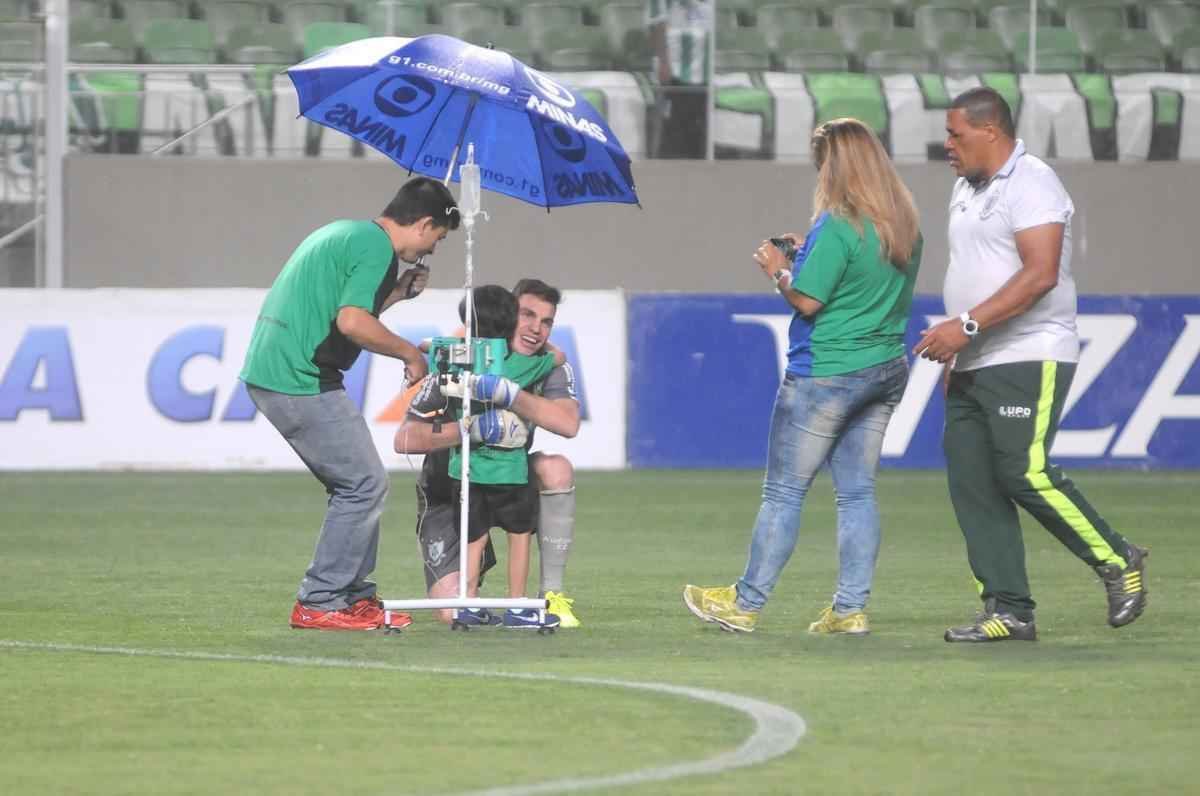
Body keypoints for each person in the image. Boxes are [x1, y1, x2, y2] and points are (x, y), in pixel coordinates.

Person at [914, 87, 1148, 643]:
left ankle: (1117, 558)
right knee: (973, 482)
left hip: (1030, 352)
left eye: (955, 134)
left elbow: (1040, 274)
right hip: (974, 359)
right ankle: (1009, 609)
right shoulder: (965, 189)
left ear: (990, 130)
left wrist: (965, 326)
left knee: (1024, 469)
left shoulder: (1033, 181)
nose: (946, 144)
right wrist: (960, 349)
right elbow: (977, 268)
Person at [683, 117, 922, 635]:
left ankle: (745, 604)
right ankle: (849, 608)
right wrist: (805, 252)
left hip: (829, 373)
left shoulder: (839, 224)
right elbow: (858, 281)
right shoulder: (903, 224)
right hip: (884, 368)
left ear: (835, 166)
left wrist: (777, 269)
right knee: (857, 493)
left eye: (821, 164)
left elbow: (809, 300)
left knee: (784, 492)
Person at [240, 176, 459, 632]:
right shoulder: (375, 248)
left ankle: (354, 597)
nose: (433, 250)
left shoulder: (349, 233)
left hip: (277, 370)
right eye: (437, 238)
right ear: (422, 224)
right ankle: (321, 600)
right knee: (363, 485)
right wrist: (410, 353)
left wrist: (396, 293)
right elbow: (352, 321)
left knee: (360, 485)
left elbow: (342, 310)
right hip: (296, 377)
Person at [396, 285, 581, 629]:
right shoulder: (459, 359)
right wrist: (472, 429)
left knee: (556, 470)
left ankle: (546, 597)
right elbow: (404, 439)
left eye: (546, 322)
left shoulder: (545, 364)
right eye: (527, 315)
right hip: (448, 488)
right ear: (508, 314)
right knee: (451, 612)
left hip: (510, 473)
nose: (536, 329)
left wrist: (508, 394)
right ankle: (471, 592)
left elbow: (568, 425)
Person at [647, 0, 712, 159]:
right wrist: (663, 62)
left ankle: (697, 166)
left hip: (704, 70)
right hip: (676, 70)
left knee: (698, 128)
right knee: (675, 128)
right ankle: (668, 167)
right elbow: (657, 24)